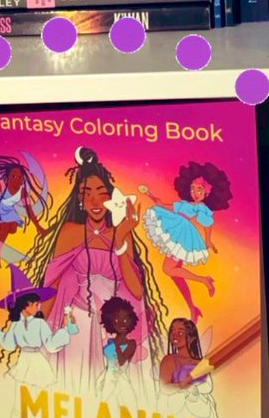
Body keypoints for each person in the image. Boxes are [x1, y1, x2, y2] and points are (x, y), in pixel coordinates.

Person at [21, 146, 168, 399]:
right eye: (86, 193)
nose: (95, 201)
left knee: (112, 391)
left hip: (112, 326)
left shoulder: (120, 232)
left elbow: (135, 290)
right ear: (79, 199)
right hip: (78, 322)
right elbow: (53, 283)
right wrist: (36, 325)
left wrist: (121, 240)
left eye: (101, 193)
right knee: (77, 390)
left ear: (111, 198)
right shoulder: (70, 232)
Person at [140, 161, 232, 324]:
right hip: (176, 230)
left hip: (183, 236)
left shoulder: (201, 208)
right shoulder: (184, 204)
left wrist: (208, 241)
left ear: (208, 192)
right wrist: (149, 194)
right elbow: (163, 205)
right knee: (175, 274)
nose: (195, 193)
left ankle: (204, 280)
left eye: (199, 190)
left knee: (168, 269)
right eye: (192, 188)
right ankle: (192, 308)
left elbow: (207, 223)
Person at [0, 266, 73, 390]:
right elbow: (9, 344)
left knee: (37, 389)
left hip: (36, 362)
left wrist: (65, 329)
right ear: (25, 305)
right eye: (35, 304)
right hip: (23, 360)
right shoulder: (16, 324)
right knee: (21, 388)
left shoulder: (39, 323)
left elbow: (50, 345)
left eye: (39, 304)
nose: (38, 307)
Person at [0, 150, 51, 267]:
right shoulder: (1, 185)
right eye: (13, 176)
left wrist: (38, 227)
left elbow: (29, 211)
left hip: (9, 211)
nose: (16, 179)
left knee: (12, 229)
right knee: (6, 227)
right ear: (8, 177)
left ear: (23, 179)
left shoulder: (22, 192)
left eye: (20, 177)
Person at [158, 318, 217, 418]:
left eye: (180, 332)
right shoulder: (169, 360)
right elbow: (164, 387)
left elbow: (208, 386)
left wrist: (196, 389)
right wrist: (181, 386)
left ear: (191, 337)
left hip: (200, 413)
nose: (175, 335)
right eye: (173, 331)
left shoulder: (201, 362)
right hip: (178, 412)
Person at [96, 296, 139, 407]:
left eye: (125, 320)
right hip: (107, 377)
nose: (121, 324)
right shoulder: (110, 341)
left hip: (120, 380)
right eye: (116, 320)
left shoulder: (131, 343)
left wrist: (116, 345)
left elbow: (121, 361)